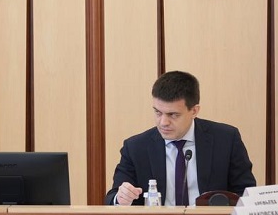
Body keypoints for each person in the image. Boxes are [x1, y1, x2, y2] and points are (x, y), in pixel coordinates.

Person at [105, 71, 256, 206]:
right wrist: (121, 198)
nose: (163, 122)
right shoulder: (136, 147)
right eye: (158, 112)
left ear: (194, 111)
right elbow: (112, 197)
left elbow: (246, 193)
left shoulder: (226, 140)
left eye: (173, 115)